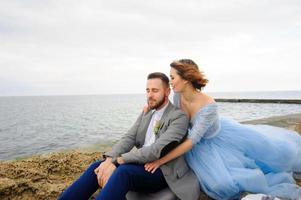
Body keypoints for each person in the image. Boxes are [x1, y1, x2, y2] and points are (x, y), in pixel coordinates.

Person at [144, 59, 301, 200]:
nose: (170, 82)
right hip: (192, 141)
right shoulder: (178, 96)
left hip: (212, 143)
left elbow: (192, 141)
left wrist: (160, 161)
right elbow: (171, 113)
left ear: (185, 79)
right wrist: (151, 107)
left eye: (172, 78)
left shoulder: (208, 106)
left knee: (223, 184)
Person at [58, 72, 201, 200]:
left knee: (123, 172)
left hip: (162, 171)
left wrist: (117, 161)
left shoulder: (178, 117)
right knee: (97, 167)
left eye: (155, 91)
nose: (150, 95)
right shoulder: (147, 112)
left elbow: (155, 150)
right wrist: (109, 160)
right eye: (147, 90)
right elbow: (129, 137)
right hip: (141, 165)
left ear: (167, 91)